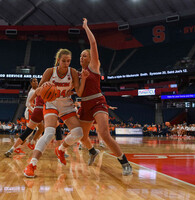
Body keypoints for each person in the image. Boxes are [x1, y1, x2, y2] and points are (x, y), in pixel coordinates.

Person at [23, 48, 89, 178]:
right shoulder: (50, 71)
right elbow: (38, 90)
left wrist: (85, 79)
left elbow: (79, 93)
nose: (66, 63)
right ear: (58, 60)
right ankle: (31, 165)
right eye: (63, 60)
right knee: (48, 134)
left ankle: (61, 149)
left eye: (68, 61)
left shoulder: (73, 72)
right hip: (51, 103)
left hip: (66, 104)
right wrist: (42, 89)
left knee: (78, 133)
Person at [78, 18, 132, 175]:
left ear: (90, 58)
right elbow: (77, 91)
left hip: (98, 102)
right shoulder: (78, 73)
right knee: (82, 137)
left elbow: (93, 45)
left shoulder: (94, 66)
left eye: (85, 56)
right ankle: (93, 151)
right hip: (85, 105)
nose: (82, 58)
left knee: (103, 133)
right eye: (81, 56)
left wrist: (86, 27)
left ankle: (124, 162)